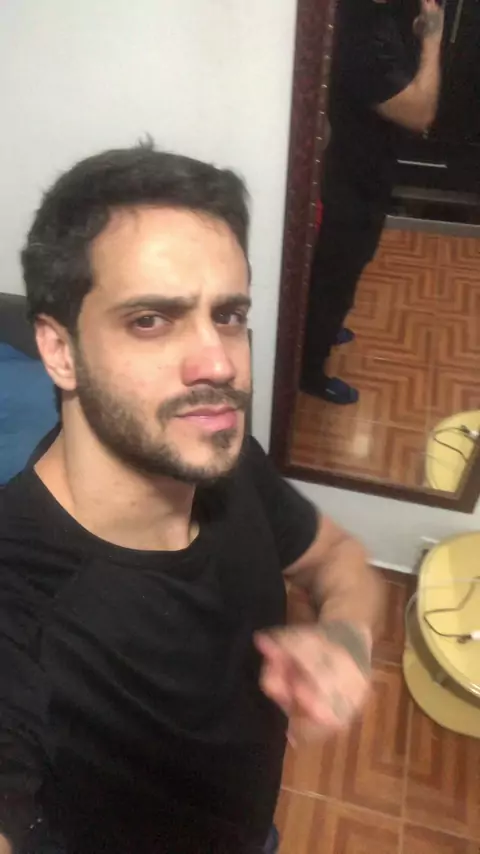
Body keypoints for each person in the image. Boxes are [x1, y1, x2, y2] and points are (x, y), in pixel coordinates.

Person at [0, 144, 384, 854]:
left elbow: (339, 556)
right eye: (151, 319)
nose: (219, 363)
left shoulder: (218, 459)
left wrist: (344, 634)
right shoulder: (20, 605)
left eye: (229, 315)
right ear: (59, 351)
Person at [301, 0, 445, 404]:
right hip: (349, 178)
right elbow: (419, 112)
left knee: (350, 264)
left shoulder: (378, 15)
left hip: (368, 170)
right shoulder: (358, 33)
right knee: (335, 275)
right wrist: (433, 40)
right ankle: (310, 371)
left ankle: (323, 331)